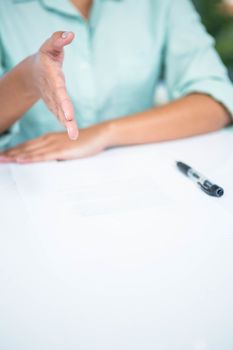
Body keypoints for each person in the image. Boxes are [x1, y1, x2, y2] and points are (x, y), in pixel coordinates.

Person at [0, 0, 232, 164]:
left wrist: (104, 133)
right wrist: (28, 79)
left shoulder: (163, 3)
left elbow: (218, 101)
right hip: (26, 179)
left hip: (136, 176)